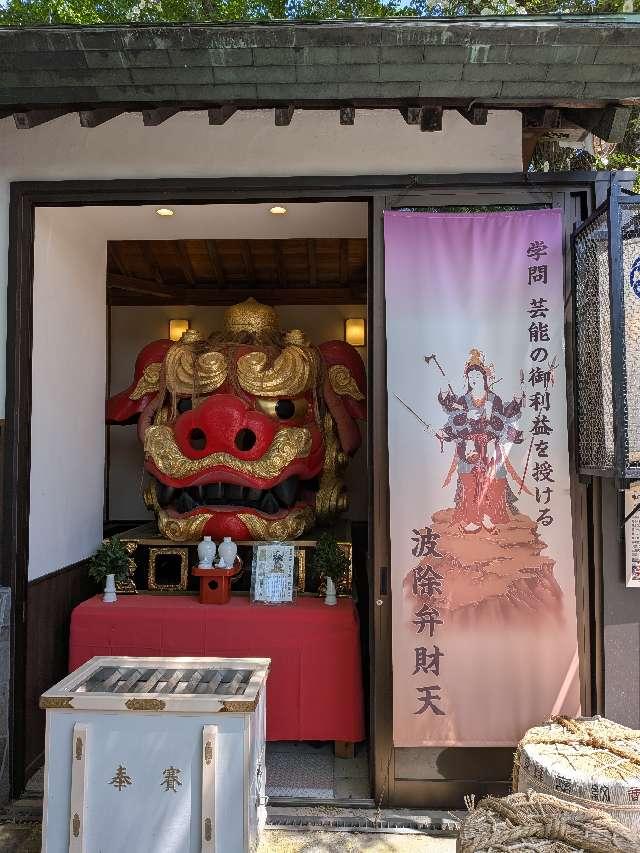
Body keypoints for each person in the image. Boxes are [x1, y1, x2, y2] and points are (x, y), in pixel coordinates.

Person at [436, 349, 525, 533]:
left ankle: (488, 516)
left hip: (490, 446)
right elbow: (453, 418)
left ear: (484, 378)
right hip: (468, 447)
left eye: (477, 375)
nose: (473, 379)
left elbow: (503, 419)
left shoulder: (495, 399)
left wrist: (514, 403)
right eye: (470, 376)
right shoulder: (463, 400)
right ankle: (473, 519)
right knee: (470, 483)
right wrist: (466, 415)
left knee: (494, 482)